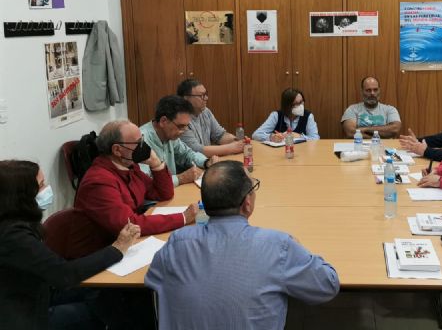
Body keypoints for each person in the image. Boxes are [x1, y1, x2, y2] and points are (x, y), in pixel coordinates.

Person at [145, 160, 340, 329]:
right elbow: (328, 285)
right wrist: (298, 248)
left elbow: (154, 279)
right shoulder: (278, 245)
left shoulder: (177, 243)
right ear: (247, 203)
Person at [0, 160, 140, 329]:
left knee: (105, 293)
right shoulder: (12, 237)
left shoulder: (16, 222)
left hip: (39, 292)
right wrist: (116, 249)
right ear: (22, 195)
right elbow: (64, 274)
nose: (47, 189)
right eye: (41, 184)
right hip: (24, 315)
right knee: (99, 311)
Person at [73, 120, 196, 258]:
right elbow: (130, 225)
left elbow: (163, 194)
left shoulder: (129, 166)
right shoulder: (98, 182)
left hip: (126, 244)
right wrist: (182, 218)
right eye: (138, 143)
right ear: (117, 150)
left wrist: (156, 164)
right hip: (98, 254)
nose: (143, 147)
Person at [140, 95, 217, 187]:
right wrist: (180, 178)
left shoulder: (169, 136)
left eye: (186, 126)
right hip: (152, 200)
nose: (184, 131)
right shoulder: (140, 141)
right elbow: (146, 182)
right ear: (163, 121)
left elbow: (187, 154)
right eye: (180, 126)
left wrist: (206, 162)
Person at [177, 79, 244, 157]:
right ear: (186, 98)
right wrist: (231, 148)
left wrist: (236, 140)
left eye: (206, 94)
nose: (206, 98)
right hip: (192, 166)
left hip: (207, 162)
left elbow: (219, 135)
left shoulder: (205, 111)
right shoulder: (180, 119)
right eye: (201, 95)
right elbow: (195, 150)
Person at [252, 88, 320, 142]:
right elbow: (256, 135)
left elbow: (316, 139)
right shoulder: (276, 115)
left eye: (302, 102)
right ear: (287, 106)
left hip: (302, 153)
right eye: (296, 103)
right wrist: (271, 137)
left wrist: (300, 136)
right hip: (279, 153)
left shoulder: (308, 116)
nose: (301, 106)